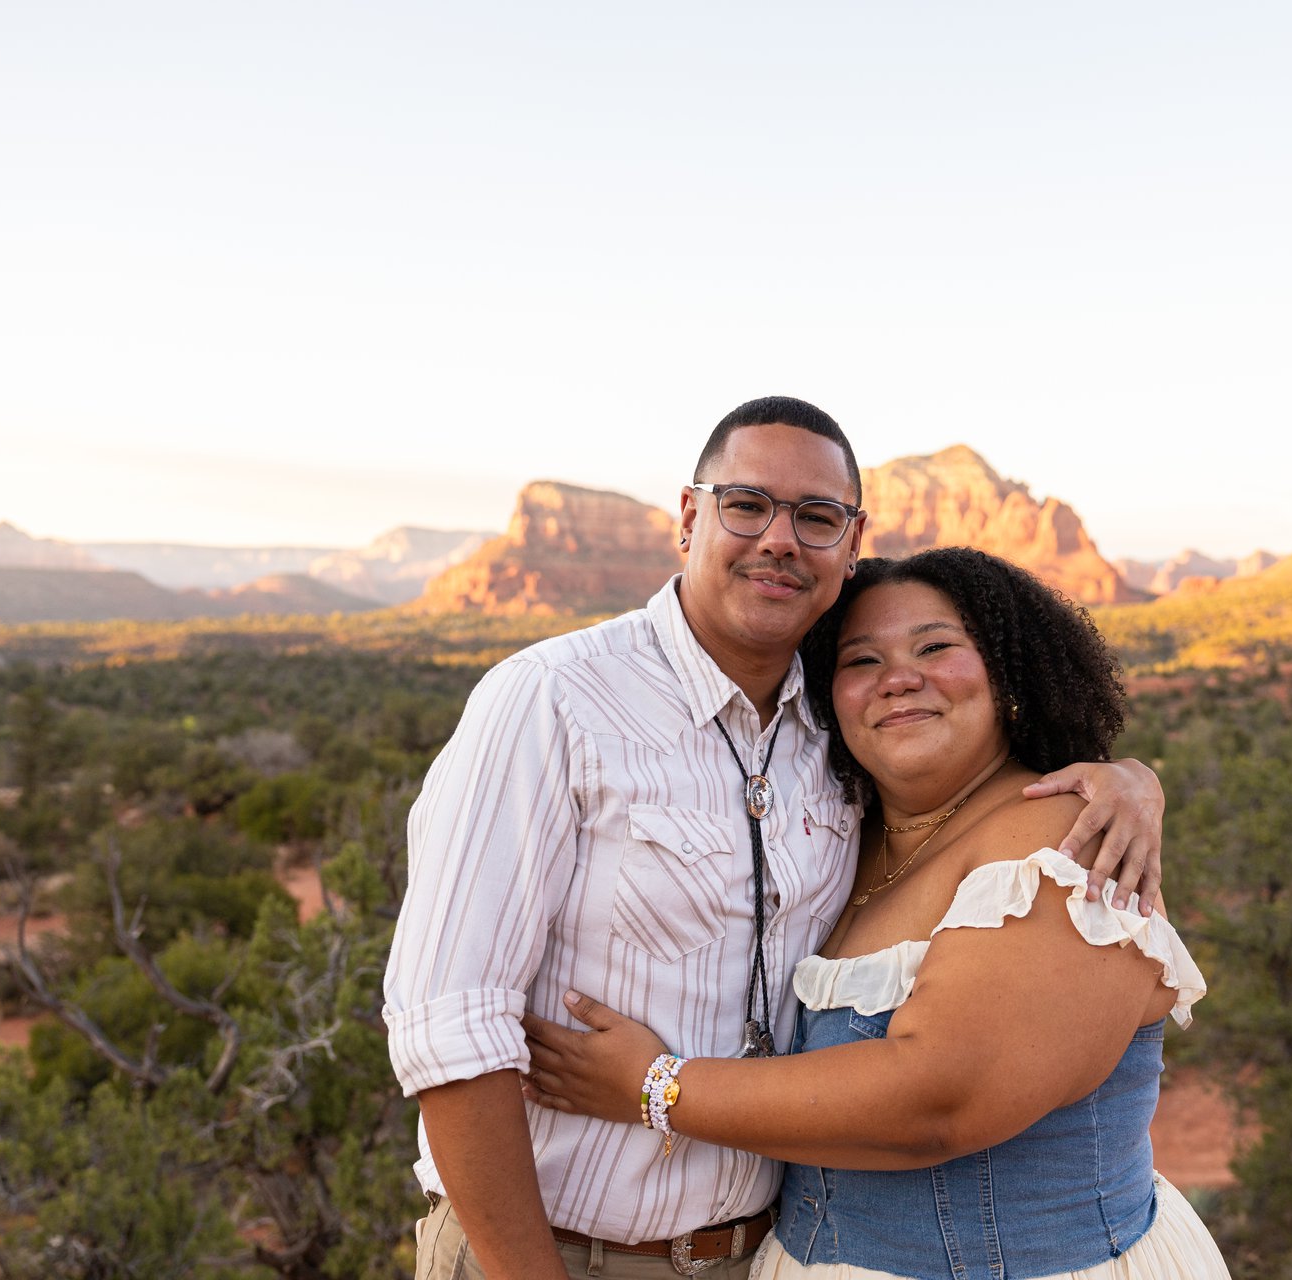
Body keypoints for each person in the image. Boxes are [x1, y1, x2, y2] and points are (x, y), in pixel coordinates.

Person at [384, 398, 1171, 1280]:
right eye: (747, 504)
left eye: (816, 517)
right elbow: (451, 1027)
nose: (780, 539)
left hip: (758, 1256)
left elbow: (968, 824)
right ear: (690, 517)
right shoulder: (550, 701)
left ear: (851, 542)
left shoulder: (834, 735)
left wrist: (1127, 780)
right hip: (563, 1254)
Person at [523, 547, 1228, 1280]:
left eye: (936, 647)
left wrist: (656, 1086)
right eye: (861, 661)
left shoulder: (1065, 843)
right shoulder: (840, 841)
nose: (899, 678)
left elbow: (939, 1101)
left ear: (1009, 673)